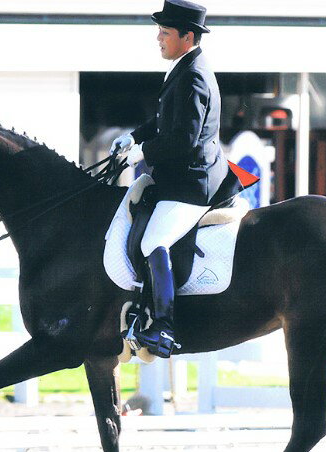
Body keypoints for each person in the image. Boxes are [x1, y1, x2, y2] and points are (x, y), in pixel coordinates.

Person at [110, 0, 241, 358]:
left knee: (155, 240)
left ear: (187, 36)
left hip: (193, 184)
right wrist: (134, 137)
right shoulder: (183, 68)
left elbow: (182, 139)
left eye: (165, 33)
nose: (158, 38)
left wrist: (143, 154)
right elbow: (164, 120)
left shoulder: (194, 76)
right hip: (178, 177)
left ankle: (164, 328)